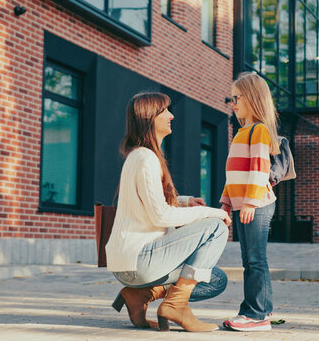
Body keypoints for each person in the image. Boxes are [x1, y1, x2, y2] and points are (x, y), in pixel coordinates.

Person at [106, 92, 232, 332]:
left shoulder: (139, 156)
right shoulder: (146, 158)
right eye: (165, 111)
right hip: (139, 260)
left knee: (216, 279)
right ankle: (175, 305)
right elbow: (160, 216)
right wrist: (210, 213)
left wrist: (185, 202)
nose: (171, 115)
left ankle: (140, 295)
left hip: (131, 263)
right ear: (149, 117)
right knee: (216, 227)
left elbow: (145, 202)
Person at [220, 72, 280, 332]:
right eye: (231, 98)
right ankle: (251, 311)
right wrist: (226, 202)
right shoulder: (241, 132)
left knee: (256, 259)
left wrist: (250, 203)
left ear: (253, 98)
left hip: (257, 203)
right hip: (244, 203)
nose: (233, 103)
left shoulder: (259, 131)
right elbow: (233, 174)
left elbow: (258, 169)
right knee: (248, 260)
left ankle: (259, 315)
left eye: (237, 98)